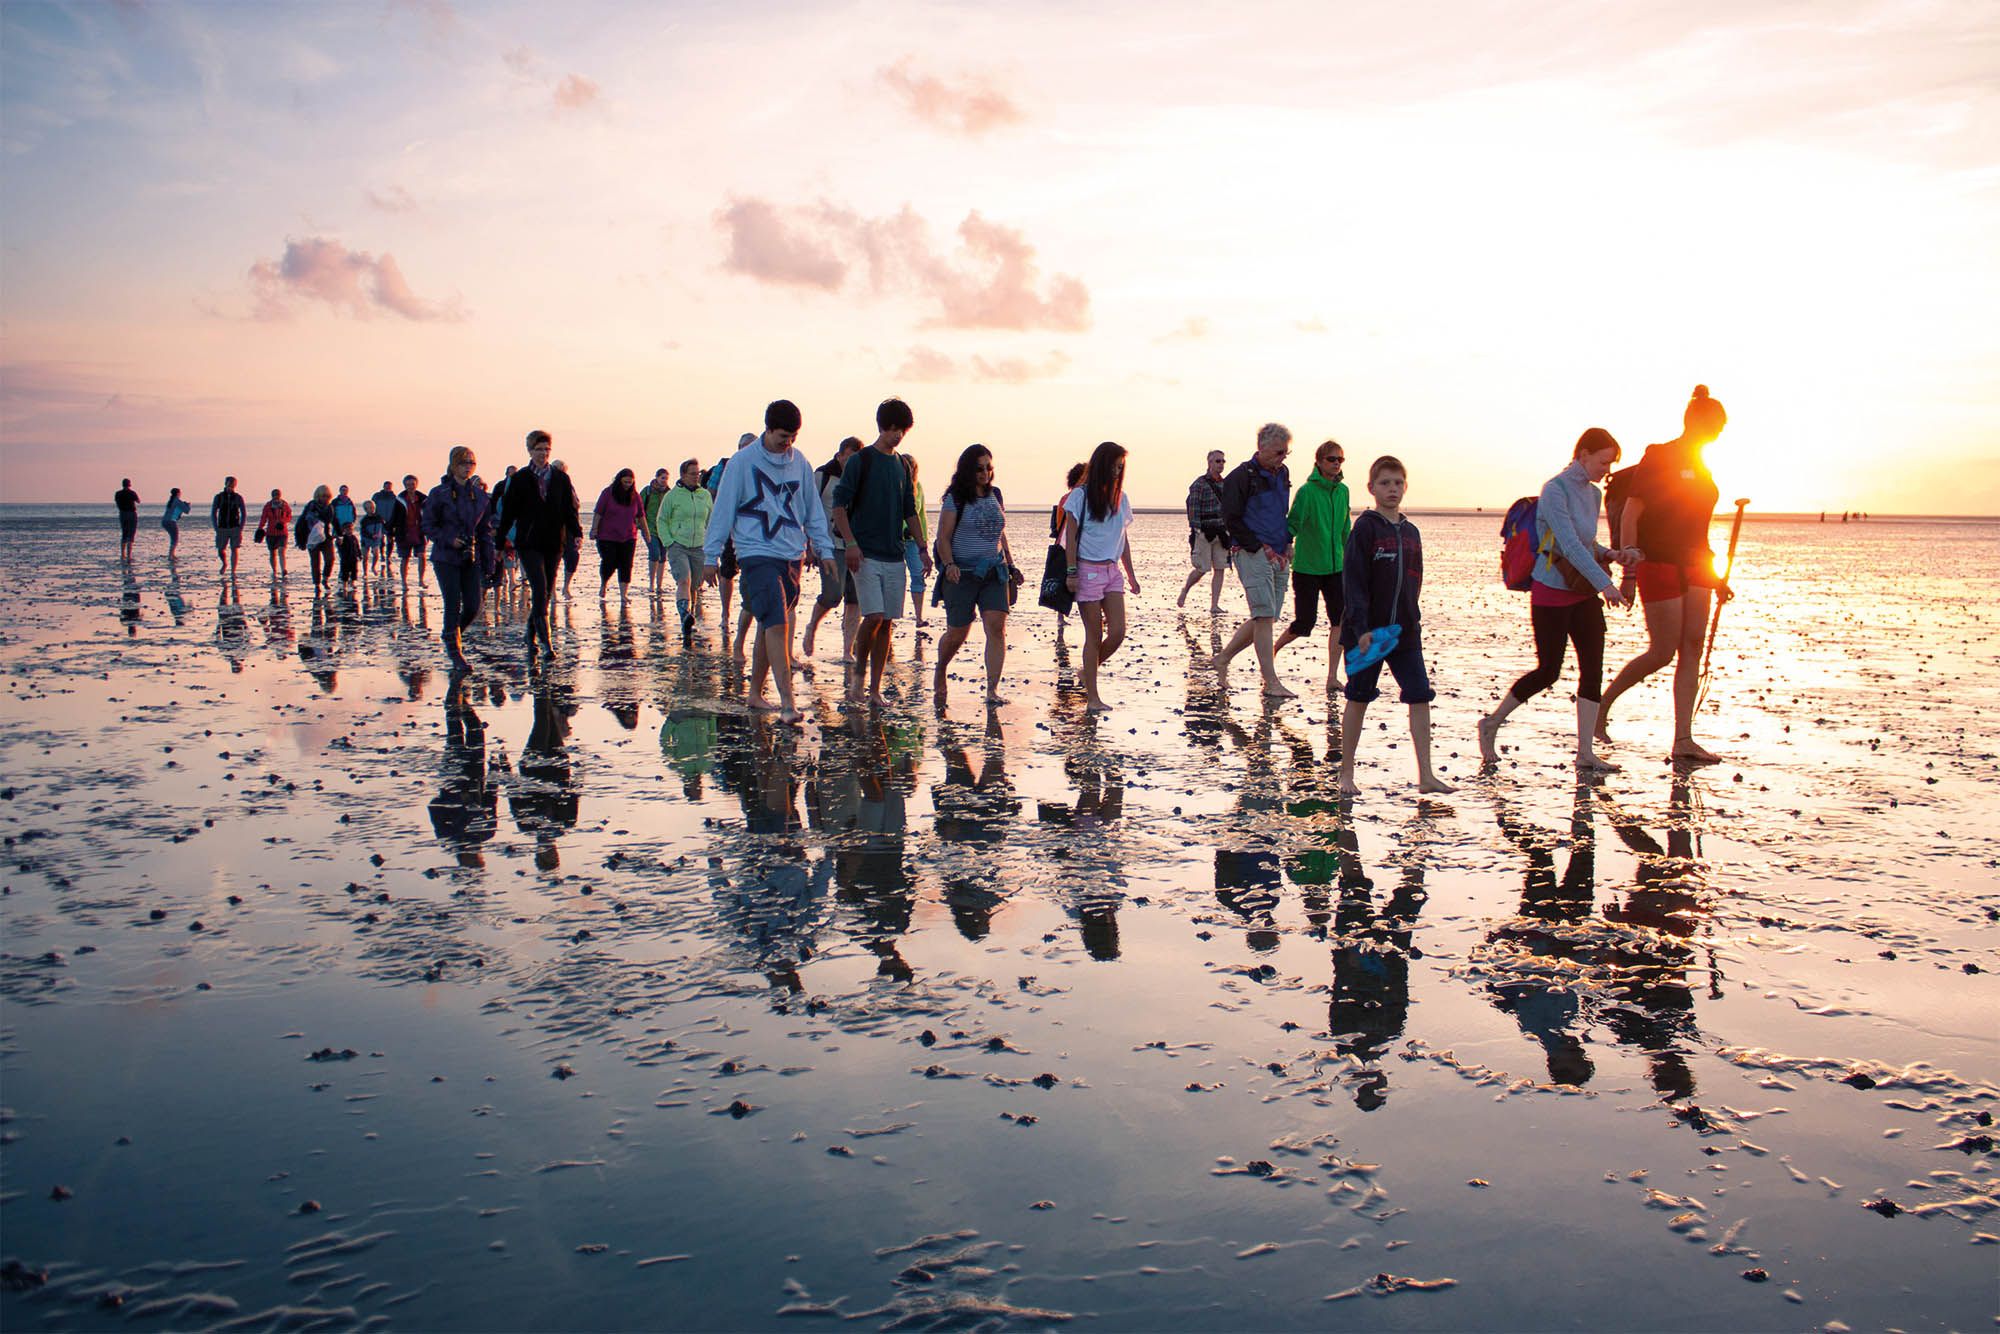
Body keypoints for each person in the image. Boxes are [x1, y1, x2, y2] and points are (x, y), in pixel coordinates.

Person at [1479, 429, 1639, 770]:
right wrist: (1605, 584)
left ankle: (1585, 753)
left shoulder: (1594, 495)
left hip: (1581, 592)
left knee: (1592, 667)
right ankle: (1491, 723)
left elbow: (1586, 543)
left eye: (1611, 464)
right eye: (1603, 461)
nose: (1606, 470)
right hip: (1551, 591)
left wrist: (1612, 554)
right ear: (1583, 454)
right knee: (1548, 671)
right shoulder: (1555, 490)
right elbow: (1566, 544)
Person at [1595, 386, 1732, 763]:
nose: (1720, 433)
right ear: (1699, 422)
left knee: (1692, 648)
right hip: (1659, 562)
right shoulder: (1661, 455)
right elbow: (1631, 514)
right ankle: (1601, 707)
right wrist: (1630, 572)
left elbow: (1698, 525)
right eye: (1717, 425)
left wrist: (1718, 577)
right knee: (1663, 650)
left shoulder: (1703, 464)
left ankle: (1683, 740)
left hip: (1699, 564)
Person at [701, 399, 840, 723]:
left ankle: (754, 693)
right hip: (755, 552)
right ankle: (788, 703)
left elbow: (812, 511)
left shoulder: (800, 463)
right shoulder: (742, 463)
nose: (787, 444)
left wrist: (824, 549)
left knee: (768, 622)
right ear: (767, 429)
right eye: (782, 437)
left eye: (792, 437)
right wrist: (711, 556)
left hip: (790, 554)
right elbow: (723, 511)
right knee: (778, 622)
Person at [1336, 456, 1452, 796]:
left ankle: (1426, 775)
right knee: (1358, 697)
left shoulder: (1411, 532)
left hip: (1404, 632)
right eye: (1385, 483)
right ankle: (1346, 773)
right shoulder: (1366, 528)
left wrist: (1413, 621)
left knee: (1419, 696)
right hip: (1368, 634)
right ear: (1372, 488)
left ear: (1405, 486)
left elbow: (1415, 581)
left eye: (1398, 483)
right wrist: (1360, 631)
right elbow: (1353, 582)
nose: (1392, 489)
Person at [831, 398, 930, 707]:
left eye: (902, 430)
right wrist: (850, 543)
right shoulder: (862, 461)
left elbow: (909, 511)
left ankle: (875, 690)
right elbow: (839, 506)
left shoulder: (902, 465)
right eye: (893, 429)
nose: (898, 435)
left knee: (887, 621)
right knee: (872, 616)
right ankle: (857, 683)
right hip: (865, 555)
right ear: (882, 427)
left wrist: (924, 549)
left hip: (894, 555)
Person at [932, 443, 1019, 708]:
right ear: (968, 470)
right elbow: (942, 538)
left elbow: (1000, 534)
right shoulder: (955, 498)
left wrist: (1012, 566)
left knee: (996, 627)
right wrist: (949, 565)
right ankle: (940, 668)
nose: (985, 473)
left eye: (989, 468)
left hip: (994, 573)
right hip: (962, 575)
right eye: (979, 469)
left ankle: (992, 690)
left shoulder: (996, 495)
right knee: (958, 634)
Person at [1214, 423, 1296, 699]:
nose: (1282, 457)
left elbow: (1281, 513)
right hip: (1251, 553)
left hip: (1279, 553)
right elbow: (1231, 518)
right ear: (1261, 448)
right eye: (1278, 452)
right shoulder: (1241, 476)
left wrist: (1286, 544)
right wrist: (1258, 547)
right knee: (1263, 615)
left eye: (1286, 452)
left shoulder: (1283, 473)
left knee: (1267, 616)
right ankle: (1270, 681)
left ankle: (1223, 658)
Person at [493, 429, 582, 663]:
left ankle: (530, 634)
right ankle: (546, 643)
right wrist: (499, 541)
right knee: (540, 587)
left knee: (547, 588)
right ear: (530, 451)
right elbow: (508, 512)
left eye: (546, 450)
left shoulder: (560, 478)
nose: (543, 453)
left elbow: (569, 509)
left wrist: (577, 533)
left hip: (554, 542)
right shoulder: (521, 478)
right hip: (528, 542)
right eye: (539, 449)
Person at [1062, 441, 1139, 713]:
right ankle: (1092, 698)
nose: (1118, 472)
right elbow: (1070, 537)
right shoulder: (1080, 497)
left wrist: (1131, 575)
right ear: (1102, 465)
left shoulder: (1122, 498)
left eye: (1121, 467)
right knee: (1094, 635)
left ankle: (1087, 673)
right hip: (1086, 570)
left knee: (1118, 632)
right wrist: (1071, 572)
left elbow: (1123, 538)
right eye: (1114, 466)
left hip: (1111, 572)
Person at [1270, 439, 1353, 692]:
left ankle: (1332, 677)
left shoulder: (1343, 491)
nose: (1336, 464)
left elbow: (1345, 528)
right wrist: (1281, 548)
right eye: (1331, 459)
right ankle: (1272, 651)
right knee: (1304, 623)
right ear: (1318, 461)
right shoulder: (1307, 491)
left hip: (1335, 568)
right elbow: (1293, 522)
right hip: (1307, 568)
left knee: (1339, 621)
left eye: (1340, 459)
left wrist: (1350, 557)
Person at [424, 445, 486, 674]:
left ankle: (451, 634)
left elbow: (485, 531)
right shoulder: (439, 494)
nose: (467, 467)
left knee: (473, 605)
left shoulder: (479, 496)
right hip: (445, 557)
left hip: (471, 557)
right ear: (453, 465)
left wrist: (488, 561)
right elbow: (428, 525)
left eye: (471, 463)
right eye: (463, 463)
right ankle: (455, 652)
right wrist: (449, 540)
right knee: (453, 603)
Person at [803, 436, 862, 661]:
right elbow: (808, 510)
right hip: (829, 545)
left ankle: (847, 650)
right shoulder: (823, 476)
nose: (852, 464)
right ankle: (812, 627)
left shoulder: (860, 480)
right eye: (849, 458)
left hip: (855, 545)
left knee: (854, 598)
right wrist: (809, 545)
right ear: (840, 455)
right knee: (832, 594)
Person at [708, 432, 758, 636]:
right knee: (728, 571)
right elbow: (711, 494)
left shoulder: (764, 467)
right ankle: (726, 613)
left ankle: (750, 609)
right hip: (730, 526)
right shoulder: (727, 466)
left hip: (754, 531)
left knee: (751, 570)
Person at [656, 457, 713, 632]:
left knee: (695, 586)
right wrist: (669, 542)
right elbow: (662, 520)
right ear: (683, 475)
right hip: (678, 545)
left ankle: (689, 619)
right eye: (692, 474)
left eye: (698, 473)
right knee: (684, 580)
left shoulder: (705, 495)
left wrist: (711, 546)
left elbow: (711, 521)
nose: (696, 477)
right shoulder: (672, 496)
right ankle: (684, 614)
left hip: (699, 546)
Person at [1177, 450, 1231, 611]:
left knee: (1220, 568)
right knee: (1202, 568)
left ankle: (1214, 605)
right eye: (1217, 461)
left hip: (1222, 532)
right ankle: (1185, 590)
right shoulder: (1199, 484)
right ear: (1209, 462)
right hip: (1204, 532)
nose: (1220, 464)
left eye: (1222, 461)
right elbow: (1193, 508)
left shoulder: (1226, 484)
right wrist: (1196, 530)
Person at [591, 467, 645, 602]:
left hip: (628, 536)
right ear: (619, 481)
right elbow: (598, 512)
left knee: (626, 564)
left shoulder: (635, 496)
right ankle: (604, 583)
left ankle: (623, 595)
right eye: (625, 482)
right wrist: (594, 529)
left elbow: (641, 516)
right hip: (607, 536)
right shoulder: (608, 493)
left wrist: (647, 534)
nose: (627, 485)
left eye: (630, 483)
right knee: (610, 561)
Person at [1049, 462, 1086, 647]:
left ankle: (1061, 617)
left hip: (1068, 543)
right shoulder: (1069, 498)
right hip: (1066, 544)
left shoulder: (1071, 497)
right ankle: (1061, 616)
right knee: (1064, 580)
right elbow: (1060, 524)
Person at [903, 454, 931, 628]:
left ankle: (919, 617)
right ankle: (887, 618)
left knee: (918, 576)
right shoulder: (893, 486)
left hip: (913, 540)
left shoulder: (918, 487)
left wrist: (924, 543)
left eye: (912, 467)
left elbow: (921, 516)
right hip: (895, 539)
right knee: (895, 577)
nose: (910, 470)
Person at [641, 467, 673, 599]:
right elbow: (639, 509)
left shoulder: (669, 493)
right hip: (650, 528)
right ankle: (651, 584)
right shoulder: (647, 492)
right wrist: (640, 526)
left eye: (666, 478)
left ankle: (659, 585)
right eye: (662, 478)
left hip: (665, 529)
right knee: (654, 553)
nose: (664, 481)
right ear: (657, 478)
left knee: (663, 556)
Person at [392, 474, 428, 592]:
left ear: (416, 484)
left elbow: (429, 515)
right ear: (404, 486)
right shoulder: (400, 500)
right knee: (405, 558)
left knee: (422, 556)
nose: (410, 487)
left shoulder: (423, 499)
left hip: (419, 532)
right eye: (408, 485)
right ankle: (404, 582)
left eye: (412, 484)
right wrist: (390, 531)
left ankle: (421, 580)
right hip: (404, 533)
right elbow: (394, 517)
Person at [299, 484, 337, 594]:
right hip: (312, 538)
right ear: (318, 496)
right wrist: (302, 539)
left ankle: (325, 578)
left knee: (330, 559)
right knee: (315, 562)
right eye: (322, 496)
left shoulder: (330, 507)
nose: (324, 498)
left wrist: (339, 534)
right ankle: (317, 584)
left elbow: (335, 521)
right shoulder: (311, 506)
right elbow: (302, 522)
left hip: (326, 537)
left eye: (326, 496)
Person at [554, 459, 582, 598]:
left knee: (572, 557)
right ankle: (552, 591)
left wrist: (578, 533)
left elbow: (575, 508)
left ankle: (566, 587)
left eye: (562, 470)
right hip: (553, 529)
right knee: (553, 561)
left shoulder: (569, 487)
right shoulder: (546, 486)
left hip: (570, 528)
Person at [211, 475, 247, 577]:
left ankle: (233, 571)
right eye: (229, 483)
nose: (231, 485)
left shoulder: (238, 497)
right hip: (222, 527)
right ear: (225, 484)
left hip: (235, 527)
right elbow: (214, 512)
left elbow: (243, 513)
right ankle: (224, 563)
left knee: (234, 548)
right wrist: (215, 527)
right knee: (220, 549)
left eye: (233, 484)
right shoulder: (219, 497)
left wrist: (241, 527)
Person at [258, 488, 291, 579]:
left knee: (281, 550)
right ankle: (274, 571)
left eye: (278, 495)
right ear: (272, 496)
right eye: (275, 495)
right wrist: (260, 528)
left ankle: (283, 569)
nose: (276, 497)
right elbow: (263, 518)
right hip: (270, 533)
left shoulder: (285, 505)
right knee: (272, 553)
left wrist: (282, 521)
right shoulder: (268, 506)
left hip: (282, 532)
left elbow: (289, 516)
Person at [114, 479, 141, 560]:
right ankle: (129, 555)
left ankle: (122, 554)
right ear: (129, 485)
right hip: (131, 513)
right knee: (131, 534)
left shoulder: (118, 493)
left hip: (122, 513)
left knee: (124, 533)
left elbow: (117, 503)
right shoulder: (132, 493)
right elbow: (138, 501)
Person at [359, 501, 387, 577]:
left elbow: (384, 527)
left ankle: (373, 567)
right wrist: (371, 536)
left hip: (376, 540)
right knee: (365, 557)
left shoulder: (379, 518)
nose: (372, 509)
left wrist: (385, 534)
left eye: (373, 507)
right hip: (366, 540)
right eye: (370, 508)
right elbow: (363, 532)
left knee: (376, 554)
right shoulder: (364, 520)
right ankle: (365, 572)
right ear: (366, 509)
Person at [161, 487, 191, 557]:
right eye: (180, 493)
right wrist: (188, 505)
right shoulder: (177, 501)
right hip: (171, 521)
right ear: (178, 494)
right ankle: (171, 554)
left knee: (173, 538)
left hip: (165, 521)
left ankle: (171, 553)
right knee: (175, 538)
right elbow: (187, 511)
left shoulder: (170, 501)